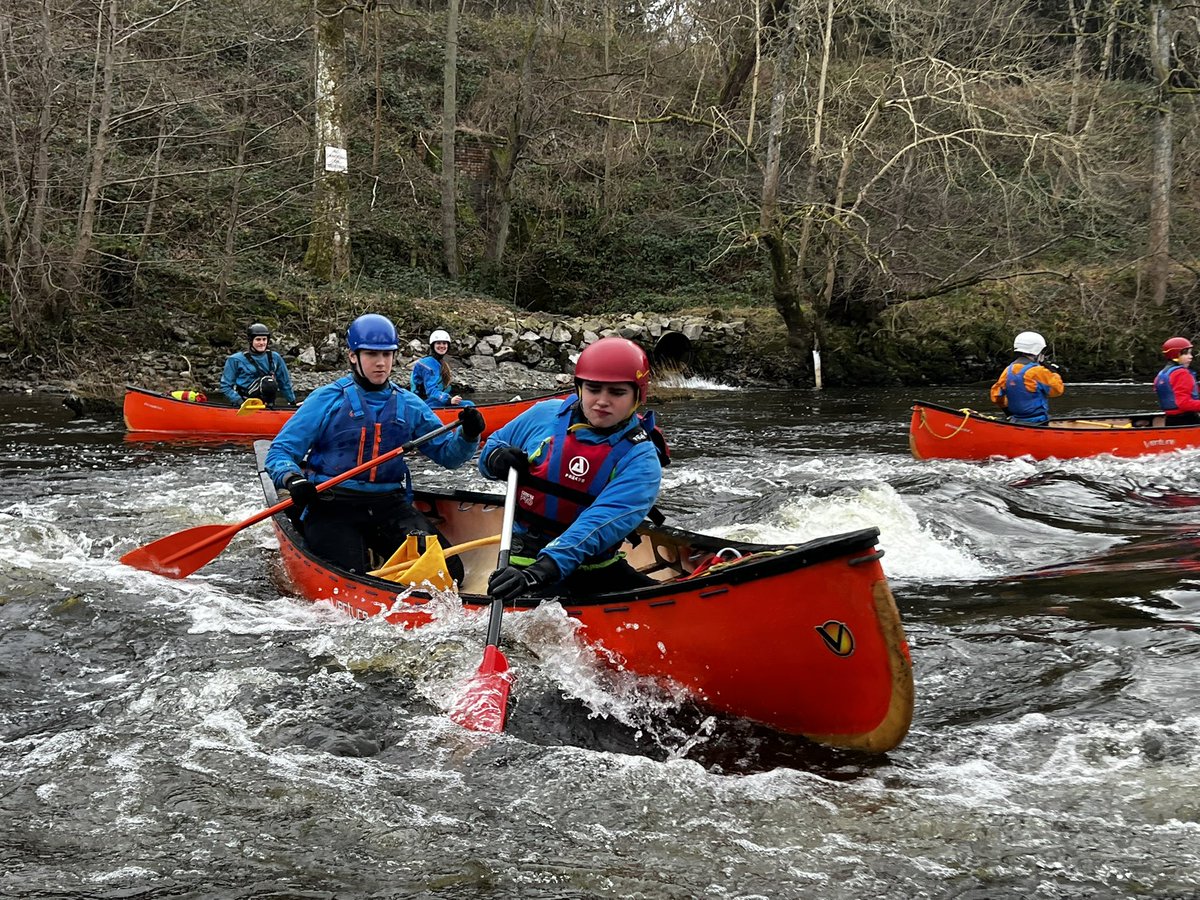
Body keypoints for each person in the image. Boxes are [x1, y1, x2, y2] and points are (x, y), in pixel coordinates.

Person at [265, 313, 485, 578]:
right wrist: (292, 479)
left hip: (388, 503)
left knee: (450, 574)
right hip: (333, 502)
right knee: (348, 575)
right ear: (353, 356)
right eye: (371, 355)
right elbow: (281, 451)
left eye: (387, 355)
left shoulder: (410, 404)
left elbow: (449, 457)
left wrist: (470, 435)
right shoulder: (327, 398)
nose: (381, 363)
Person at [478, 336, 669, 602]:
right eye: (593, 389)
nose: (602, 401)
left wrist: (539, 572)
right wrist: (495, 458)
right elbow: (492, 447)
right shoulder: (543, 415)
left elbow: (597, 526)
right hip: (524, 559)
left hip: (592, 567)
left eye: (617, 392)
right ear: (580, 388)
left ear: (638, 395)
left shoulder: (641, 458)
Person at [990, 330, 1065, 425]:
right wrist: (1053, 371)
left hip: (1015, 420)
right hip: (1038, 422)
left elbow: (996, 397)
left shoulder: (1008, 370)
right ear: (1037, 350)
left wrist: (1008, 413)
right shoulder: (1038, 371)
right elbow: (1058, 390)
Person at [220, 323, 297, 407]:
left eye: (264, 339)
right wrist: (239, 402)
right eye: (258, 339)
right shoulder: (235, 359)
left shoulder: (275, 357)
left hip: (268, 405)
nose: (262, 343)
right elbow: (225, 386)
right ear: (250, 340)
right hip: (244, 405)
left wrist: (292, 402)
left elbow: (285, 383)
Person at [410, 329, 474, 409]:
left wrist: (459, 389)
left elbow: (441, 386)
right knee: (468, 407)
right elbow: (431, 391)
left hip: (434, 400)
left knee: (469, 404)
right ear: (433, 345)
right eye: (438, 343)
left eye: (444, 343)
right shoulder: (427, 363)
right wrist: (448, 400)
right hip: (423, 403)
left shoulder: (440, 363)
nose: (442, 346)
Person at [1154, 337, 1200, 426]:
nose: (1191, 357)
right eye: (1186, 354)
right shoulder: (1182, 373)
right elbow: (1183, 403)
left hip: (1170, 420)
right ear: (1176, 355)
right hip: (1187, 420)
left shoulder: (1162, 374)